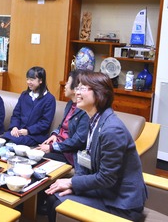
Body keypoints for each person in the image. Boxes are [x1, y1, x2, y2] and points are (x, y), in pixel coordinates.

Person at [45, 72, 147, 222]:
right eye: (77, 87)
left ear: (99, 94)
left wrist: (71, 182)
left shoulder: (112, 129)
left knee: (58, 202)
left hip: (120, 202)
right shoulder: (95, 121)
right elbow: (84, 162)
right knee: (55, 196)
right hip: (105, 191)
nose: (77, 92)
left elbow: (106, 178)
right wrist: (74, 185)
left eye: (83, 88)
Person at [36, 70, 89, 165]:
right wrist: (54, 135)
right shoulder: (70, 104)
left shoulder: (85, 111)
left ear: (76, 88)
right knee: (34, 155)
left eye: (68, 83)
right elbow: (62, 126)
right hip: (58, 146)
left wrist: (52, 147)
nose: (65, 86)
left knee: (40, 160)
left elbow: (78, 141)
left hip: (69, 153)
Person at [2, 66, 56, 146]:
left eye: (31, 79)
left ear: (40, 80)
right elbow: (16, 114)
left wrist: (28, 131)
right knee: (2, 139)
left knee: (14, 142)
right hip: (19, 132)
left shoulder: (49, 99)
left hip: (35, 135)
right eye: (27, 79)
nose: (28, 82)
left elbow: (45, 123)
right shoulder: (24, 95)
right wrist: (14, 127)